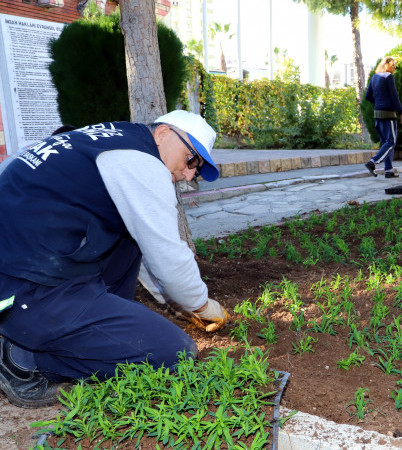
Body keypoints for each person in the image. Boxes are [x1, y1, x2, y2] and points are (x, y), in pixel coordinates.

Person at [0, 110, 231, 408]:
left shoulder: (110, 139)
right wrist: (200, 304)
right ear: (162, 134)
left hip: (28, 264)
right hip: (25, 288)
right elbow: (168, 254)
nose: (188, 175)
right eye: (190, 160)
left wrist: (172, 300)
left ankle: (96, 323)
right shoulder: (140, 162)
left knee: (128, 238)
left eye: (196, 170)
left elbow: (151, 248)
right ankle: (23, 361)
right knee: (174, 352)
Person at [364, 56, 402, 179]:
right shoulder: (389, 77)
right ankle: (372, 163)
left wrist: (378, 103)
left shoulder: (374, 77)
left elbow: (368, 96)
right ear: (387, 65)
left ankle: (388, 170)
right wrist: (401, 113)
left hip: (377, 114)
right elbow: (394, 96)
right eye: (393, 65)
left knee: (386, 143)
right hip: (388, 115)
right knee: (391, 141)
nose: (394, 68)